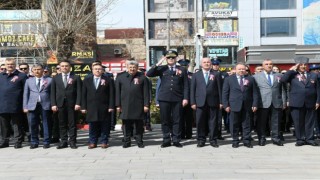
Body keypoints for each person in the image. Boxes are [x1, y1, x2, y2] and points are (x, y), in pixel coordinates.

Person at [147, 50, 189, 148]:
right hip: (164, 98)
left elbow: (186, 85)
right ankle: (166, 139)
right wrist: (159, 63)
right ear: (166, 58)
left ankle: (176, 140)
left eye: (173, 57)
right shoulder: (162, 68)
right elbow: (149, 74)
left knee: (177, 120)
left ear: (176, 58)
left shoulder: (182, 69)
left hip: (177, 98)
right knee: (165, 120)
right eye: (168, 57)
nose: (171, 59)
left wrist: (185, 98)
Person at [281, 57, 320, 146]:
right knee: (298, 122)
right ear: (297, 65)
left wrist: (318, 101)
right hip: (296, 102)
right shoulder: (292, 75)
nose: (303, 66)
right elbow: (283, 79)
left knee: (310, 122)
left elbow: (318, 89)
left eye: (305, 65)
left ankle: (310, 139)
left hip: (311, 102)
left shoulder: (313, 75)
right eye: (301, 65)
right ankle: (300, 139)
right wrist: (292, 69)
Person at [222, 63, 258, 148]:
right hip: (233, 105)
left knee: (247, 124)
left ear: (245, 70)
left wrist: (255, 104)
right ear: (235, 70)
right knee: (234, 124)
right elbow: (225, 93)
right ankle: (235, 140)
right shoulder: (229, 79)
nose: (241, 71)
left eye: (243, 69)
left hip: (247, 105)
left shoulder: (251, 79)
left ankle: (246, 140)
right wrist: (225, 105)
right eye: (239, 69)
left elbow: (255, 93)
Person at [116, 60, 150, 148]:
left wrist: (146, 105)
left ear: (137, 68)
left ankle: (139, 141)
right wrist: (118, 105)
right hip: (125, 105)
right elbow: (117, 92)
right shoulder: (121, 77)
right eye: (130, 67)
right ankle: (127, 142)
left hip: (138, 105)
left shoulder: (142, 78)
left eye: (134, 67)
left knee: (138, 125)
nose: (132, 69)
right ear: (127, 68)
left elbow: (146, 92)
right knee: (126, 125)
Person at [253, 59, 287, 146]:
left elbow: (283, 89)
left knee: (276, 121)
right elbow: (254, 91)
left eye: (271, 64)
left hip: (276, 101)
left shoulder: (279, 75)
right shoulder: (256, 76)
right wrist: (255, 103)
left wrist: (284, 101)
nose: (269, 65)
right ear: (263, 66)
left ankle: (276, 138)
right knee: (261, 122)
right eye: (266, 64)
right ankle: (261, 138)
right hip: (262, 102)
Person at [190, 57, 222, 147]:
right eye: (204, 62)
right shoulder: (196, 75)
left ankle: (213, 140)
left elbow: (220, 89)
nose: (206, 63)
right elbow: (192, 90)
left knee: (213, 122)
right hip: (199, 102)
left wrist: (221, 102)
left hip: (213, 102)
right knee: (200, 122)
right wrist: (192, 102)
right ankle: (201, 140)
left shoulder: (216, 74)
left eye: (208, 62)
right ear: (201, 64)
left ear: (211, 63)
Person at [81, 64, 114, 149]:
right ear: (92, 70)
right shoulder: (87, 80)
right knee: (92, 125)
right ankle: (92, 142)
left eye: (99, 69)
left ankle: (104, 142)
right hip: (91, 106)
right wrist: (83, 107)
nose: (98, 70)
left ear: (102, 70)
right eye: (96, 69)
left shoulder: (108, 80)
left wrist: (111, 106)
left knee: (104, 125)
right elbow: (83, 94)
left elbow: (111, 94)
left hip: (104, 106)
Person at [51, 60, 82, 149]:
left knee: (72, 124)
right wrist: (53, 104)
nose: (64, 67)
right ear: (60, 67)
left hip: (72, 104)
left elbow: (79, 92)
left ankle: (72, 141)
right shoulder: (56, 78)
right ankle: (63, 141)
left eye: (66, 66)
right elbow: (53, 92)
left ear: (70, 67)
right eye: (63, 66)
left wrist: (78, 103)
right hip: (60, 104)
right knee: (62, 123)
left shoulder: (76, 77)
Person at [23, 64, 52, 149]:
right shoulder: (29, 81)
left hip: (45, 104)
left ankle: (46, 141)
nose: (37, 71)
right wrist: (25, 106)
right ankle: (34, 141)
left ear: (43, 70)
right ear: (32, 71)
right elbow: (26, 94)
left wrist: (53, 105)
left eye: (39, 69)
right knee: (32, 124)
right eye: (35, 69)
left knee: (46, 123)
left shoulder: (49, 80)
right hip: (32, 105)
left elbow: (52, 93)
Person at [0, 58, 27, 148]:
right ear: (5, 65)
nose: (10, 66)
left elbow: (25, 91)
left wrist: (24, 104)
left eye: (11, 64)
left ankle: (18, 141)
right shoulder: (1, 75)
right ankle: (4, 141)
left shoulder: (21, 76)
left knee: (17, 124)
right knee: (4, 125)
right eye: (8, 64)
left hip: (16, 104)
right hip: (3, 104)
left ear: (15, 65)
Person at [178, 59, 194, 139]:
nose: (184, 67)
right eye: (182, 66)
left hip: (190, 100)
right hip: (179, 99)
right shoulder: (177, 74)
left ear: (188, 66)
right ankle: (181, 134)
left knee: (189, 118)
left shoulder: (192, 75)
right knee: (179, 118)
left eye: (185, 66)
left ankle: (189, 134)